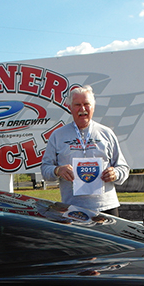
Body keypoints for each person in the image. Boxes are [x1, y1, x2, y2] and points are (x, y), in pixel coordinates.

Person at [41, 85, 129, 216]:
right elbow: (45, 169)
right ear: (70, 108)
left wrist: (115, 174)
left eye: (86, 104)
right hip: (72, 208)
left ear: (93, 107)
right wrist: (58, 170)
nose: (82, 109)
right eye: (77, 105)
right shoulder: (58, 135)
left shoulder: (107, 133)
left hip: (106, 207)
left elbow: (124, 168)